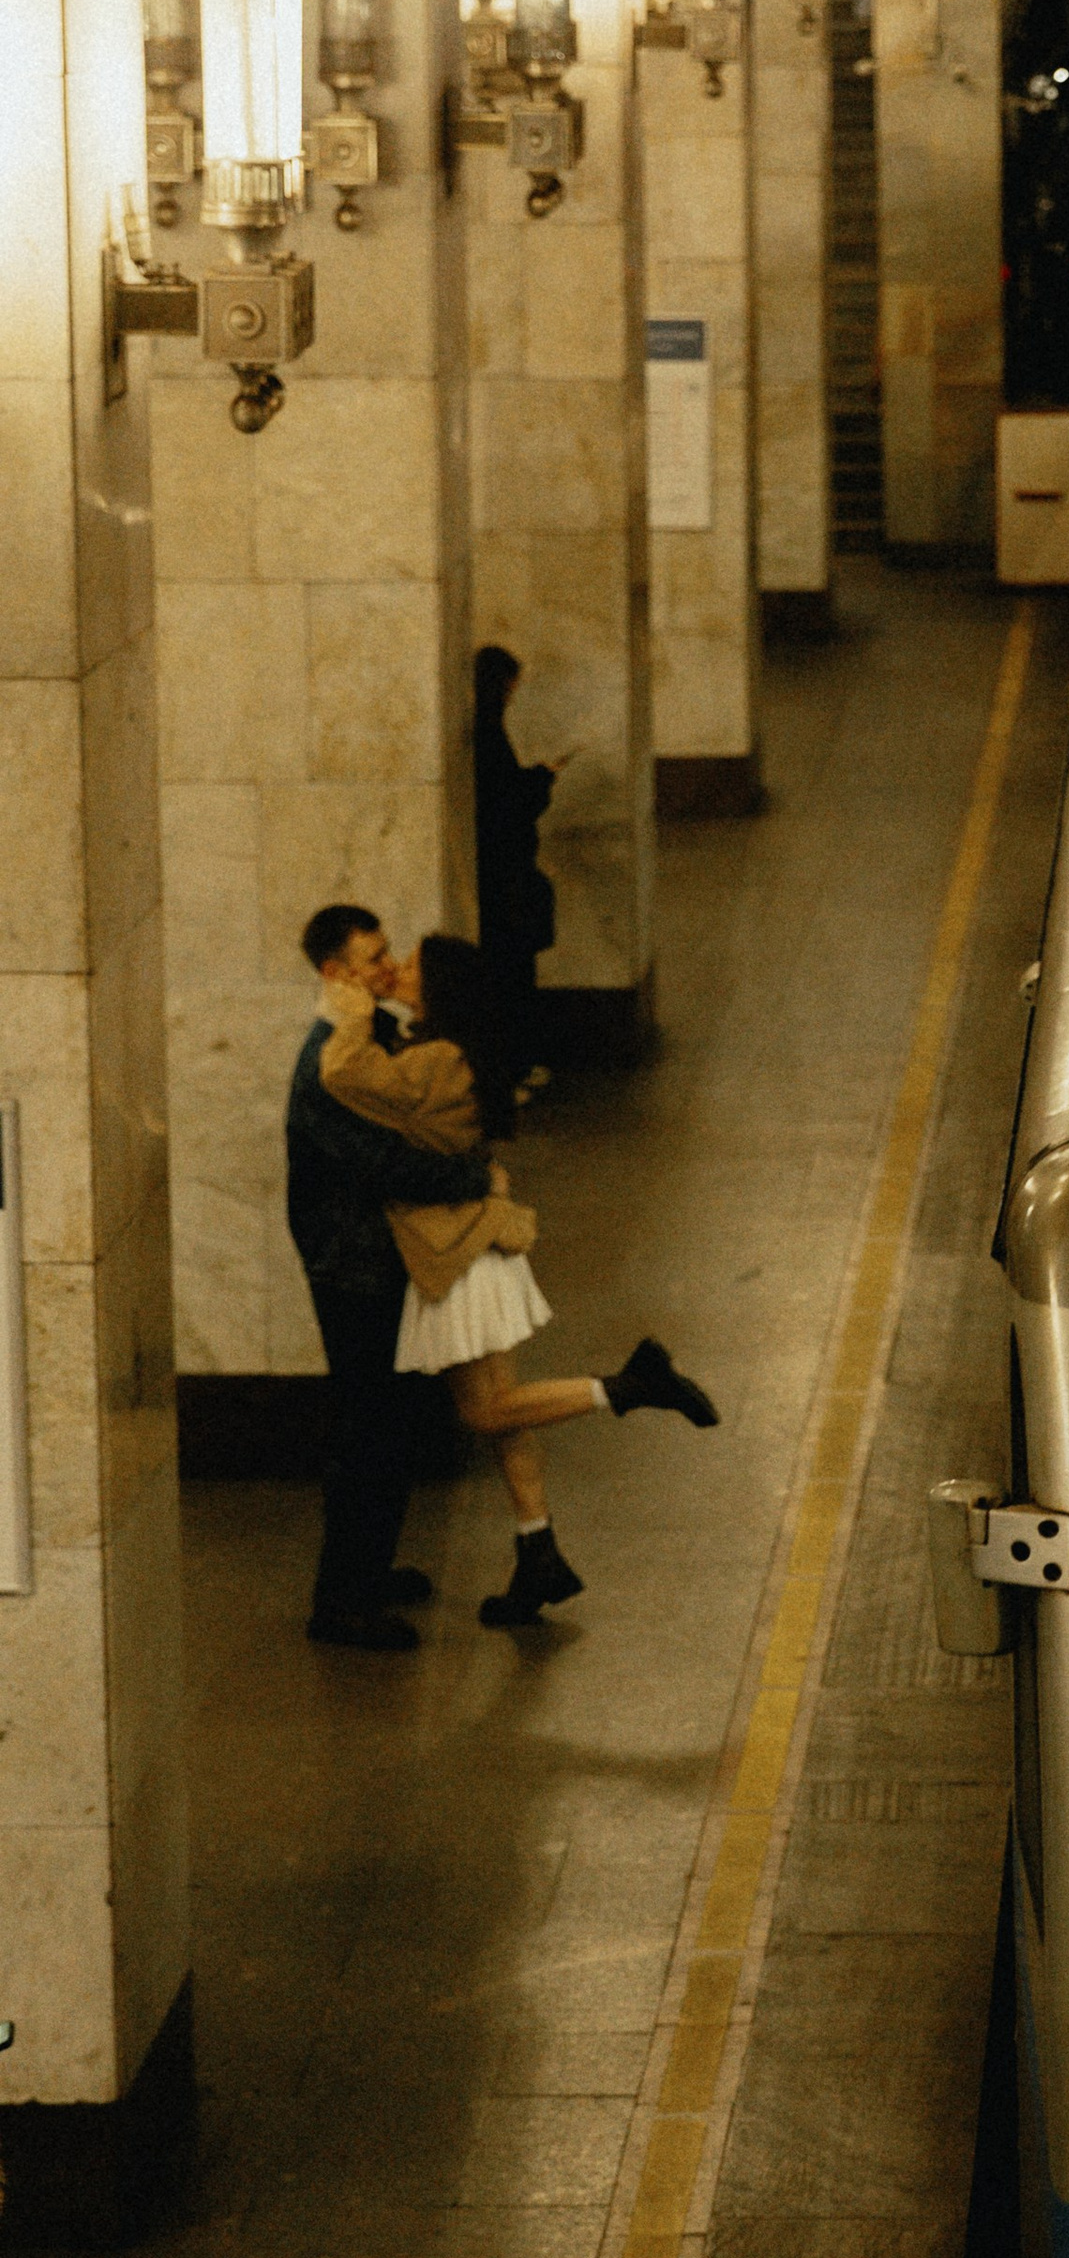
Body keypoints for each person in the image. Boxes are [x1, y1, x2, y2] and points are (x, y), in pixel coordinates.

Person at [318, 933, 719, 1628]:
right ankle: (538, 1550)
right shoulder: (448, 1050)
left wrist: (349, 1014)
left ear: (439, 988)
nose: (397, 971)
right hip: (474, 1243)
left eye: (410, 966)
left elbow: (345, 1077)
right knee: (507, 1411)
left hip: (456, 1250)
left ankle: (627, 1386)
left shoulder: (438, 1058)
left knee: (485, 1411)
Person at [288, 902, 494, 1652]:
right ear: (334, 972)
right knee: (368, 1426)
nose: (388, 967)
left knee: (392, 1420)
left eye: (387, 953)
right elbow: (381, 1163)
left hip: (379, 1256)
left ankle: (370, 1571)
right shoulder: (326, 1062)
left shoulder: (370, 1034)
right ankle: (342, 1599)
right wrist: (470, 1175)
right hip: (351, 1264)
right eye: (373, 958)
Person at [473, 647, 559, 1104]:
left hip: (495, 872)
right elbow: (509, 805)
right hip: (505, 873)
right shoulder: (488, 732)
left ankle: (511, 1066)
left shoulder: (480, 730)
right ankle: (513, 1067)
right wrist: (542, 780)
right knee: (512, 973)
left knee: (505, 970)